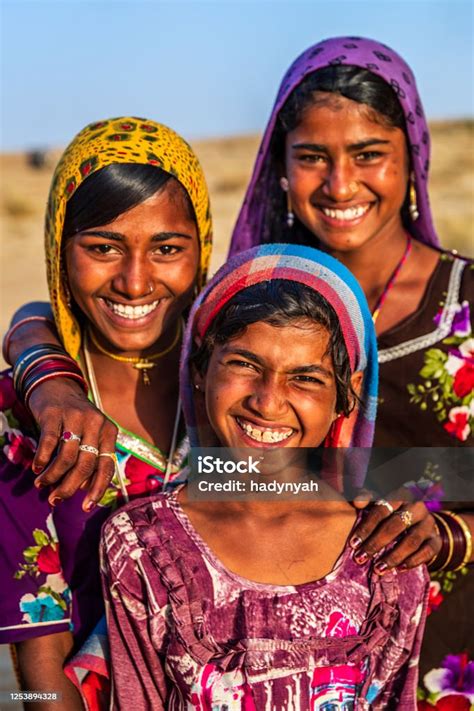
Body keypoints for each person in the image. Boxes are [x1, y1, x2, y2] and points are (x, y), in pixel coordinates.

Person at [227, 36, 473, 699]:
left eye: (369, 155)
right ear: (280, 164)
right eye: (312, 157)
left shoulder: (466, 307)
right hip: (294, 673)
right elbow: (208, 470)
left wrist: (447, 528)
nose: (340, 185)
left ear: (410, 156)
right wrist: (36, 350)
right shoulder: (248, 310)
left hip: (452, 668)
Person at [102, 244, 429, 710]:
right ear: (200, 368)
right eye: (244, 365)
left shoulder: (386, 552)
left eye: (306, 378)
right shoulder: (141, 545)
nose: (268, 401)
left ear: (346, 395)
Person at [0, 116, 212, 707]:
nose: (135, 281)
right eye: (102, 248)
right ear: (59, 252)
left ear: (203, 248)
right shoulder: (25, 425)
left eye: (167, 248)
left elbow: (341, 478)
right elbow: (41, 668)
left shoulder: (242, 378)